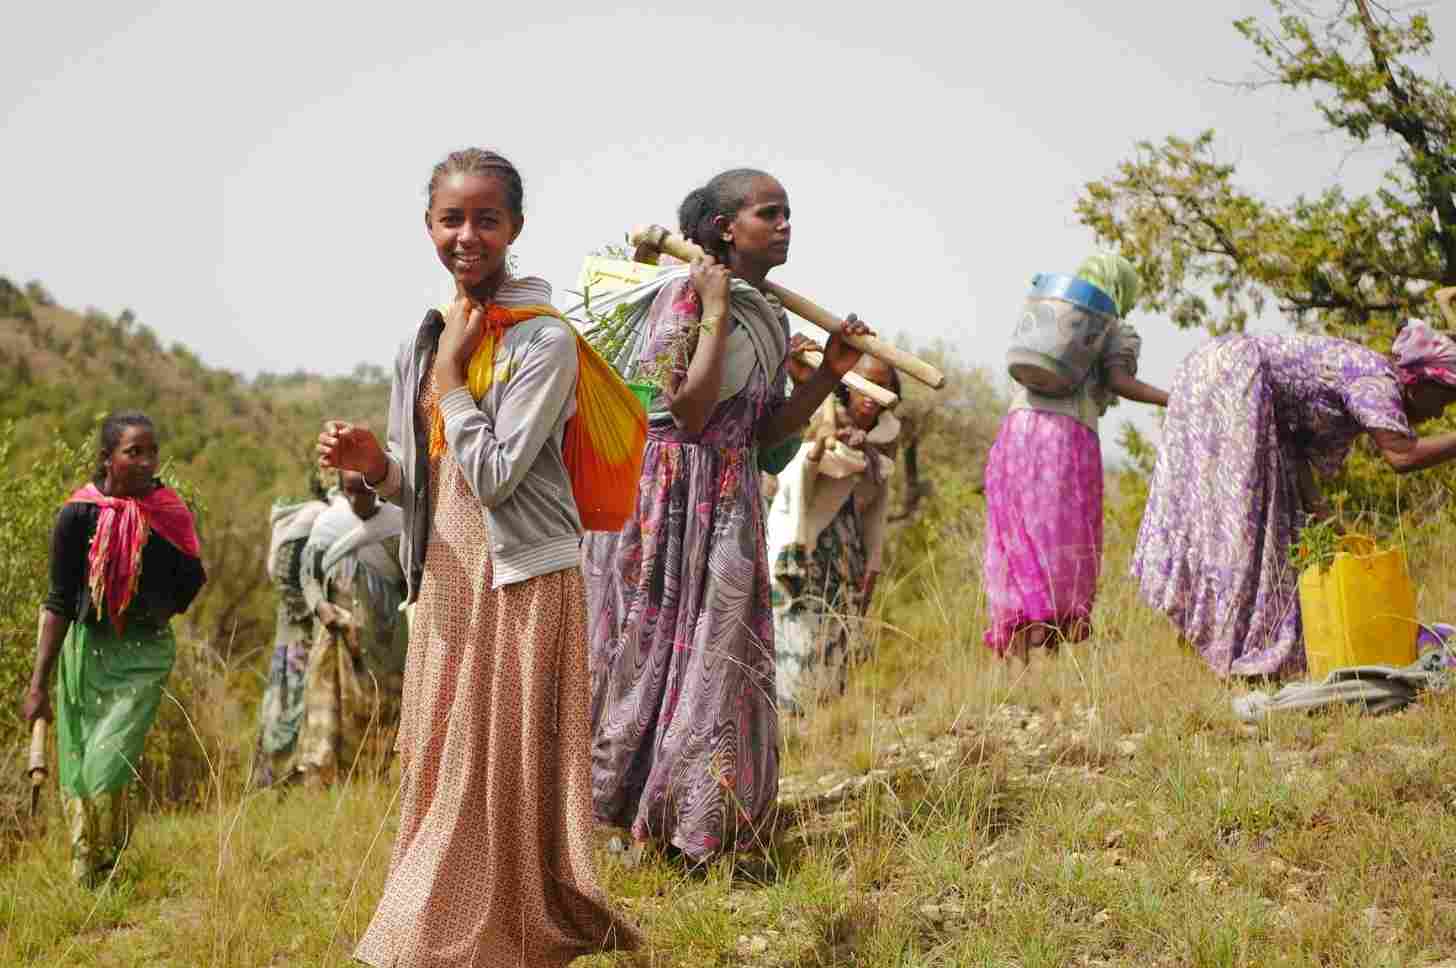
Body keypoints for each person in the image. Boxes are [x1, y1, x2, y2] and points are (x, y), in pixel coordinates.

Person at [317, 147, 639, 966]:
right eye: (451, 219)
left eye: (486, 219)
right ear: (428, 227)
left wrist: (456, 374)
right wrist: (373, 466)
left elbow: (495, 474)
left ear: (516, 229)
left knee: (492, 768)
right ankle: (462, 927)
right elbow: (424, 486)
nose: (468, 235)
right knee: (440, 760)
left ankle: (452, 937)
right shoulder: (422, 340)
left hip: (524, 579)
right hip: (451, 579)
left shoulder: (543, 343)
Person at [585, 168, 871, 862]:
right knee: (647, 654)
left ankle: (696, 822)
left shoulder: (769, 313)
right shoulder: (685, 296)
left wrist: (830, 373)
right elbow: (687, 411)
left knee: (718, 657)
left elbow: (765, 432)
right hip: (665, 500)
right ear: (723, 229)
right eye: (768, 214)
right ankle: (615, 815)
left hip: (729, 498)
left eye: (788, 214)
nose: (784, 227)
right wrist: (712, 310)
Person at [1135, 320, 1456, 679]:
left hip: (1212, 370)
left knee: (1231, 523)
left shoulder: (1368, 372)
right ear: (1421, 380)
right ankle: (1239, 657)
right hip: (1232, 377)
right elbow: (1402, 456)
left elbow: (1295, 451)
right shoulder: (1378, 380)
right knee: (1240, 528)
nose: (1440, 413)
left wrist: (1324, 516)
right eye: (1444, 399)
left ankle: (1221, 649)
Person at [21, 411, 206, 885]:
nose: (146, 462)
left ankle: (109, 855)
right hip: (87, 650)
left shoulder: (167, 512)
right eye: (133, 452)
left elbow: (192, 576)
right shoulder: (77, 514)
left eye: (151, 452)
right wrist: (38, 685)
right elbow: (59, 601)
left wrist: (158, 609)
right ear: (108, 459)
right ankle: (93, 867)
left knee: (110, 754)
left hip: (142, 653)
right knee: (81, 760)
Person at [982, 254, 1168, 661]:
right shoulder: (1114, 327)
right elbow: (1120, 381)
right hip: (1066, 438)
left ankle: (1014, 672)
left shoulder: (1050, 313)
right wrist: (1171, 398)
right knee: (1060, 545)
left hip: (1016, 434)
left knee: (1018, 542)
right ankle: (1045, 663)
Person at [766, 354, 902, 713]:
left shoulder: (885, 442)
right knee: (798, 635)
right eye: (864, 385)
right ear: (848, 388)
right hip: (805, 551)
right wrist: (820, 449)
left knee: (835, 643)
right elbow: (795, 479)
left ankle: (823, 730)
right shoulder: (819, 419)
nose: (871, 395)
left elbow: (876, 509)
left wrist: (872, 565)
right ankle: (792, 725)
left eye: (882, 385)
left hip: (846, 559)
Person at [292, 469, 407, 787]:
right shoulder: (329, 524)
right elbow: (308, 574)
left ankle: (374, 783)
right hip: (336, 637)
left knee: (380, 710)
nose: (358, 499)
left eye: (365, 490)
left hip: (383, 638)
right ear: (342, 491)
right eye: (351, 491)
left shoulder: (396, 523)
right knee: (332, 713)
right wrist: (321, 606)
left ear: (376, 489)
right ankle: (332, 785)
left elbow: (412, 574)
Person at [250, 478, 328, 788]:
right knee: (290, 704)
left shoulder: (299, 516)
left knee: (285, 702)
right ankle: (276, 780)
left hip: (294, 629)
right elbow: (285, 575)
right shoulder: (314, 516)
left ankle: (277, 779)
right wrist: (312, 614)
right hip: (301, 630)